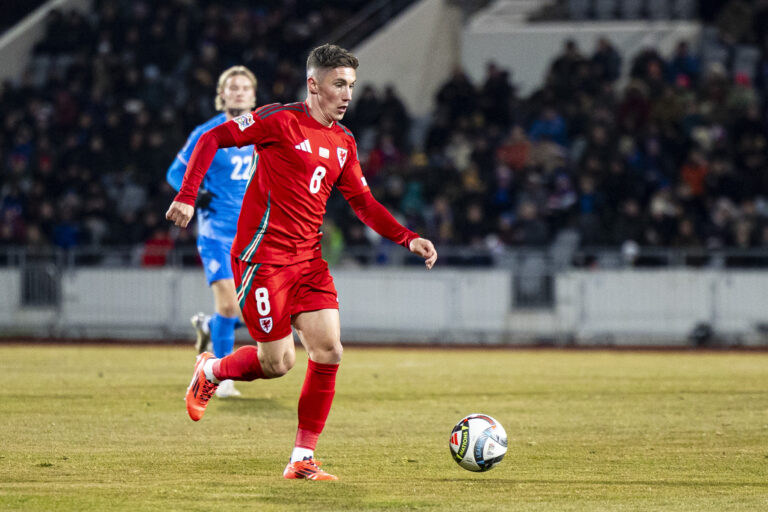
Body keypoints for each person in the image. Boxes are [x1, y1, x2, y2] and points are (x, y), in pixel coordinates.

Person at [166, 43, 437, 481]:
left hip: (308, 261)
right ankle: (211, 368)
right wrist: (187, 195)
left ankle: (301, 458)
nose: (347, 94)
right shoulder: (279, 120)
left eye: (351, 85)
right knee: (277, 363)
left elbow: (364, 204)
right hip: (262, 260)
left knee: (329, 351)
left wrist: (408, 238)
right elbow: (212, 138)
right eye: (338, 85)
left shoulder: (344, 141)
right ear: (314, 85)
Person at [166, 66, 258, 398]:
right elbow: (175, 171)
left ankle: (208, 326)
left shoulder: (263, 131)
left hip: (254, 235)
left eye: (244, 87)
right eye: (232, 87)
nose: (238, 92)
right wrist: (193, 194)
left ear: (253, 95)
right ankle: (221, 377)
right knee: (230, 306)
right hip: (217, 232)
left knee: (251, 310)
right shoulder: (206, 132)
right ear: (221, 95)